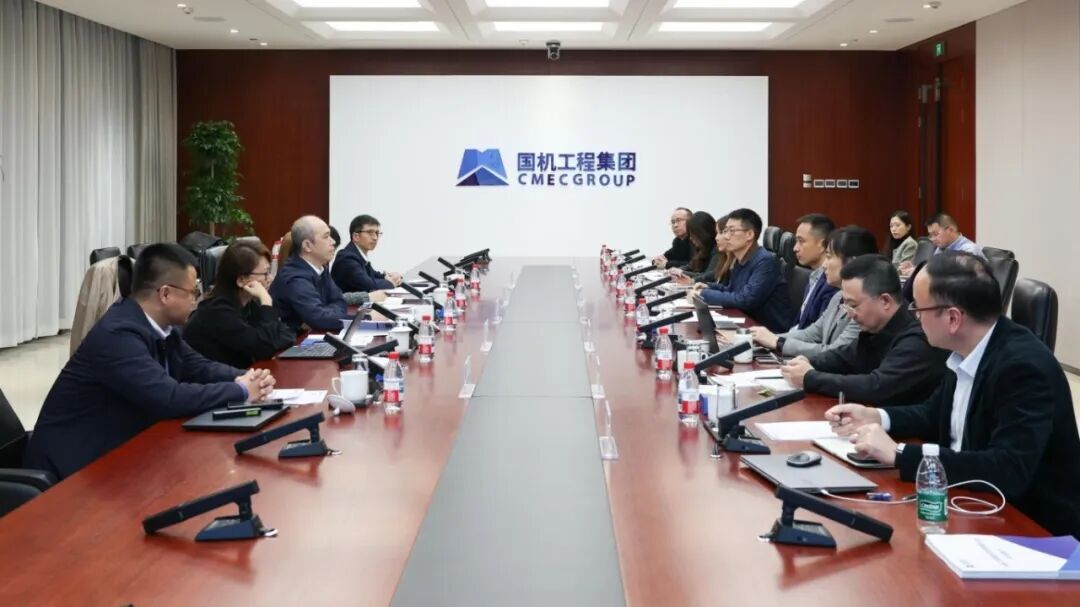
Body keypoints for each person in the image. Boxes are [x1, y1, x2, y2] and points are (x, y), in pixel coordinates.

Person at [825, 252, 1080, 539]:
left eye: (918, 309)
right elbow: (933, 414)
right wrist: (876, 416)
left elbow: (1007, 469)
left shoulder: (1023, 367)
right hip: (970, 503)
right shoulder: (966, 349)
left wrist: (899, 454)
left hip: (1030, 529)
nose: (914, 318)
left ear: (953, 318)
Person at [23, 244, 275, 479]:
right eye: (193, 292)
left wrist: (246, 377)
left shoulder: (162, 327)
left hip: (118, 454)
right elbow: (169, 398)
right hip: (73, 469)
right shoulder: (118, 335)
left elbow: (197, 366)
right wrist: (240, 390)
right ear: (165, 294)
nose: (195, 300)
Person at [781, 254, 947, 406]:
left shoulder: (919, 338)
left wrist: (811, 378)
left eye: (853, 305)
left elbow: (876, 387)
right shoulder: (876, 328)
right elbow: (845, 357)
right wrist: (808, 362)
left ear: (885, 301)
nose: (849, 314)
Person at [751, 225, 876, 359]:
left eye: (829, 257)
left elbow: (836, 352)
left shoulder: (866, 307)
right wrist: (765, 338)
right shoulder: (838, 296)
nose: (824, 265)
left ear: (852, 263)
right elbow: (812, 333)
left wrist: (778, 342)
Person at [184, 240, 297, 368]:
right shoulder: (217, 312)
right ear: (242, 280)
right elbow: (264, 349)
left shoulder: (248, 303)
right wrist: (266, 301)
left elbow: (288, 334)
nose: (270, 278)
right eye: (265, 273)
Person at [691, 208, 793, 332]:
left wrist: (704, 294)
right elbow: (732, 290)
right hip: (747, 325)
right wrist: (708, 287)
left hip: (768, 332)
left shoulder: (766, 261)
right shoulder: (741, 258)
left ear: (749, 234)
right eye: (725, 231)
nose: (726, 236)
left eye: (731, 231)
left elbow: (745, 300)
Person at [270, 215, 349, 332]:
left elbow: (340, 301)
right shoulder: (294, 277)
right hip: (293, 341)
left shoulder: (320, 267)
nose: (333, 242)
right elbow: (320, 319)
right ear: (307, 245)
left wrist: (327, 312)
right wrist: (366, 319)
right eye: (326, 237)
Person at [331, 214, 403, 294]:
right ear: (356, 236)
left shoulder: (358, 255)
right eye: (370, 232)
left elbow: (374, 275)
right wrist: (390, 283)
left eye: (377, 233)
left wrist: (391, 277)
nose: (375, 238)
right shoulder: (346, 258)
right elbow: (368, 284)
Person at [791, 213, 837, 329]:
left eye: (801, 241)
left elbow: (817, 333)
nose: (795, 248)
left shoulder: (831, 284)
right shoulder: (814, 276)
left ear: (822, 245)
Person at [668, 211, 720, 283]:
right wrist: (676, 270)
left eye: (693, 235)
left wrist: (682, 272)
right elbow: (690, 266)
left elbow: (709, 276)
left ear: (702, 233)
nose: (691, 238)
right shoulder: (700, 248)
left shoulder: (717, 249)